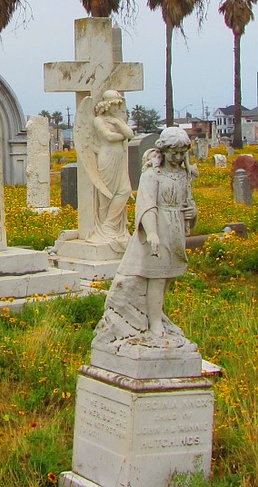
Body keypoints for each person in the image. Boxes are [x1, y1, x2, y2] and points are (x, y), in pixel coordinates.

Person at [92, 126, 198, 349]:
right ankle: (154, 323)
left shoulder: (182, 174)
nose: (178, 158)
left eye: (182, 153)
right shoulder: (152, 175)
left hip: (175, 227)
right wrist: (151, 233)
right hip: (157, 228)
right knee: (156, 276)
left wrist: (192, 213)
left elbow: (188, 201)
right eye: (173, 153)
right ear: (163, 151)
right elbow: (147, 205)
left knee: (168, 274)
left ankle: (157, 314)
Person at [88, 90, 136, 251]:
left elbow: (131, 133)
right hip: (106, 157)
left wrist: (119, 123)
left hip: (120, 158)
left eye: (119, 105)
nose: (117, 107)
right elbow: (108, 137)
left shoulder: (118, 120)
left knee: (124, 190)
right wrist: (123, 135)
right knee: (107, 193)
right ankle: (104, 228)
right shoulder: (98, 120)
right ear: (106, 105)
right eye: (114, 105)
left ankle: (111, 225)